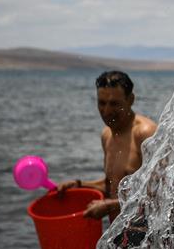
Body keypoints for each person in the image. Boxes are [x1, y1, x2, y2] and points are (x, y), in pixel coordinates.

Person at [57, 70, 157, 223]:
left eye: (114, 104)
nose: (107, 111)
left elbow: (160, 193)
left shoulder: (145, 134)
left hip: (147, 234)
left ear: (130, 100)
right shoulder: (107, 135)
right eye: (102, 103)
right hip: (119, 234)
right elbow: (112, 185)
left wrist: (109, 206)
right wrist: (79, 185)